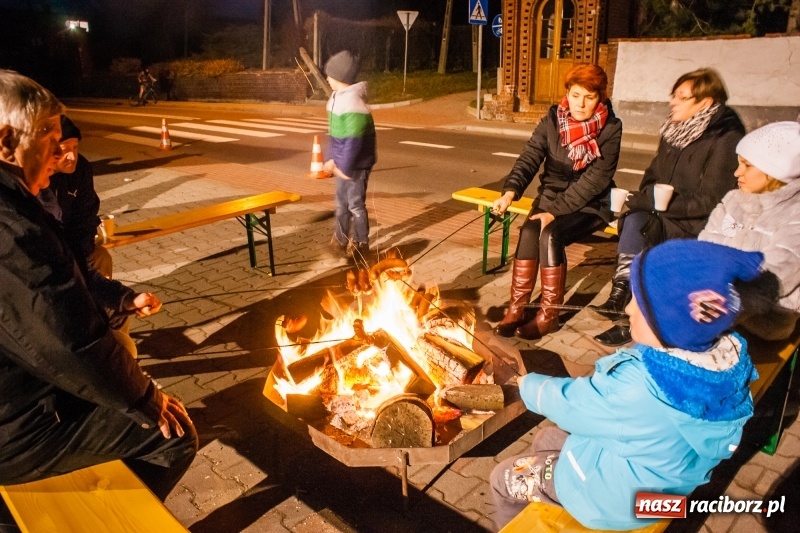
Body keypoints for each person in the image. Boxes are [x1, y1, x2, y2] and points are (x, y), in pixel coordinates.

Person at [0, 69, 197, 500]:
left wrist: (123, 300)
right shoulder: (12, 230)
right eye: (49, 136)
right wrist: (145, 397)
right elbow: (68, 340)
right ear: (6, 143)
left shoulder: (20, 205)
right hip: (13, 429)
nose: (59, 152)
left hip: (18, 391)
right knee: (174, 436)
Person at [491, 239, 761, 530]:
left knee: (502, 477)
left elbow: (571, 405)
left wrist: (528, 385)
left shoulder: (639, 387)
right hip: (661, 487)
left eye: (640, 304)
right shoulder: (719, 365)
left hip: (610, 501)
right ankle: (548, 484)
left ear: (670, 323)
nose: (629, 308)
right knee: (547, 439)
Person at [590, 67, 745, 346]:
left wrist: (654, 204)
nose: (672, 102)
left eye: (681, 97)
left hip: (697, 222)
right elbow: (652, 174)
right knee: (636, 220)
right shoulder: (674, 129)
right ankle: (622, 296)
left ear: (705, 103)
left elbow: (712, 199)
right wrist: (641, 198)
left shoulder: (726, 136)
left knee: (649, 243)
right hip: (664, 214)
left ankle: (630, 314)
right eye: (673, 95)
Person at [491, 64, 622, 340]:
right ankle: (517, 309)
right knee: (528, 231)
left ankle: (548, 316)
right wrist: (509, 192)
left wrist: (553, 211)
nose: (581, 104)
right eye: (576, 95)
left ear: (600, 97)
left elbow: (595, 181)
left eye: (589, 97)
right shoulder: (553, 118)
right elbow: (530, 156)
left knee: (550, 234)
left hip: (592, 203)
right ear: (567, 94)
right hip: (552, 196)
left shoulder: (611, 128)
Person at [699, 121, 800, 340]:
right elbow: (704, 250)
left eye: (747, 165)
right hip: (710, 306)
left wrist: (713, 309)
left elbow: (771, 281)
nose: (737, 172)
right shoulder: (733, 200)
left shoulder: (795, 215)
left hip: (764, 322)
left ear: (774, 171)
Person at [38, 115, 113, 278]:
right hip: (44, 254)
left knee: (101, 258)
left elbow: (85, 217)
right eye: (65, 150)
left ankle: (97, 303)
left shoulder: (81, 169)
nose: (72, 157)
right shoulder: (35, 176)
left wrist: (78, 253)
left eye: (75, 147)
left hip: (72, 247)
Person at [322, 50, 377, 263]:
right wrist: (330, 160)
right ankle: (341, 240)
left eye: (330, 75)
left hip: (357, 165)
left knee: (355, 206)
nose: (327, 78)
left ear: (340, 77)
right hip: (343, 165)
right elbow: (336, 137)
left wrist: (342, 167)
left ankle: (362, 245)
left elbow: (353, 142)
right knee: (340, 205)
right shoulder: (337, 98)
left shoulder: (353, 102)